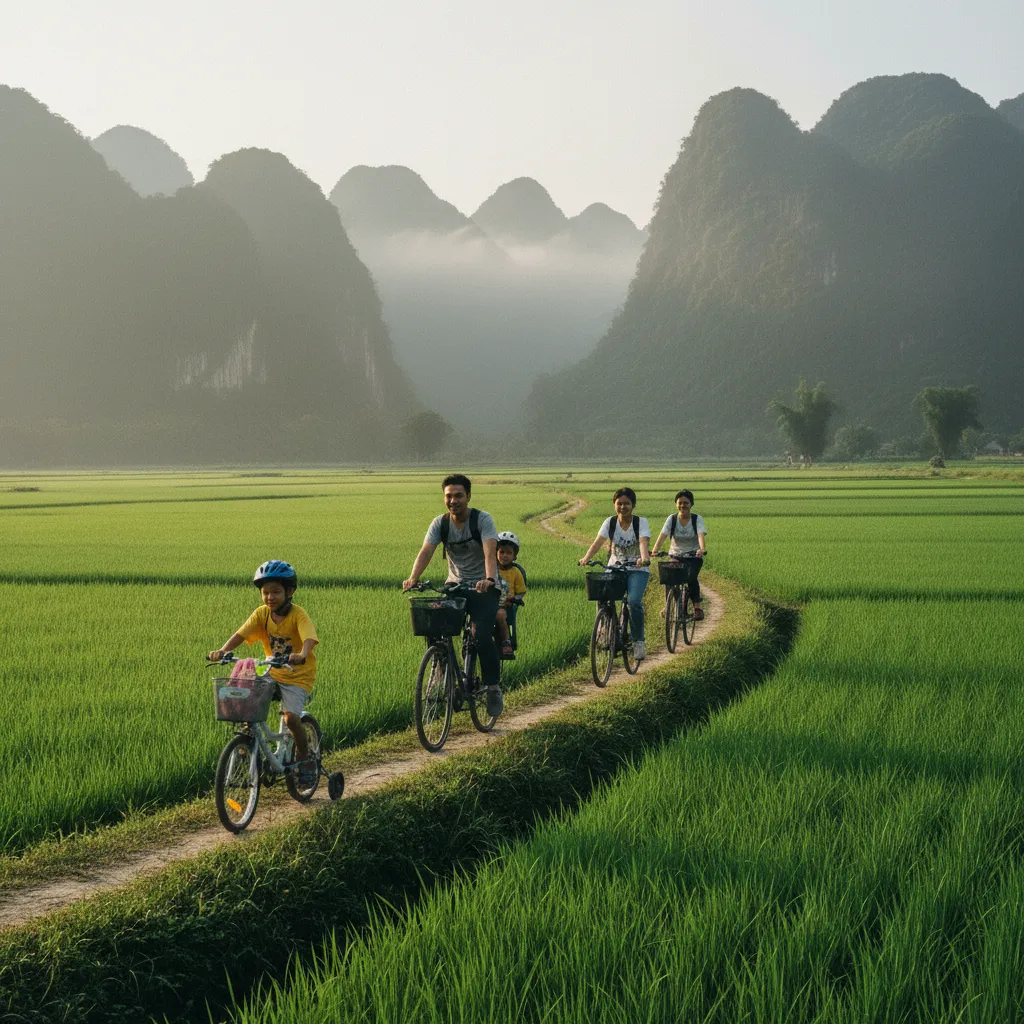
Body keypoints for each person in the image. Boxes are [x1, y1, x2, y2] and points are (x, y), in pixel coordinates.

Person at [208, 560, 319, 784]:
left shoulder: (298, 615)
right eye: (265, 592)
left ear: (290, 592)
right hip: (271, 669)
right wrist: (223, 651)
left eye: (276, 592)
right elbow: (240, 634)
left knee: (290, 719)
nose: (270, 597)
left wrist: (302, 654)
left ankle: (305, 758)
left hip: (297, 674)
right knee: (247, 697)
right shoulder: (262, 614)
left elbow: (308, 638)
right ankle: (248, 744)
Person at [403, 474, 504, 717]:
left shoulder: (482, 519)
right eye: (448, 496)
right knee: (434, 627)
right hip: (455, 586)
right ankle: (441, 666)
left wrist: (489, 580)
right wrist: (413, 578)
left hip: (483, 587)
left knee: (480, 634)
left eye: (458, 495)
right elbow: (426, 551)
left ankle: (493, 687)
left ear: (468, 496)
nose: (453, 500)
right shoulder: (440, 523)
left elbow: (491, 553)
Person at [577, 487, 651, 660]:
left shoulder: (641, 523)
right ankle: (605, 629)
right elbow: (597, 543)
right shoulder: (610, 523)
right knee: (601, 595)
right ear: (614, 505)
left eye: (626, 504)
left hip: (637, 569)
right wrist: (586, 558)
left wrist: (644, 558)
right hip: (615, 567)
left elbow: (643, 542)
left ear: (633, 505)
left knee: (633, 601)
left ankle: (638, 641)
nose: (623, 507)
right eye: (619, 503)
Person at [650, 489, 707, 621]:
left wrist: (702, 549)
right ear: (676, 504)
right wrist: (655, 550)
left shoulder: (697, 519)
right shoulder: (672, 519)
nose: (683, 506)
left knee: (691, 578)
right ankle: (670, 606)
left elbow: (700, 535)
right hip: (675, 555)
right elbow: (663, 535)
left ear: (691, 504)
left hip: (693, 556)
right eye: (680, 503)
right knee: (669, 580)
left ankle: (697, 607)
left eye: (686, 503)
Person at [495, 531, 527, 658]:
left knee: (500, 615)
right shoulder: (491, 569)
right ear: (495, 553)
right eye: (501, 552)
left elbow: (521, 592)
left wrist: (514, 598)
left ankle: (506, 642)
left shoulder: (516, 572)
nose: (505, 556)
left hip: (505, 605)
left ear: (515, 556)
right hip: (489, 603)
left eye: (509, 553)